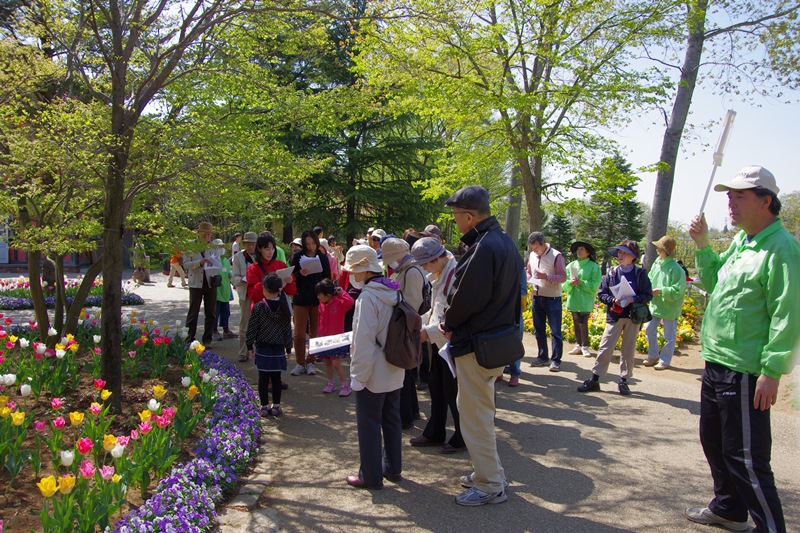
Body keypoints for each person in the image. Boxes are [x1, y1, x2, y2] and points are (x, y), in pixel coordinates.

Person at [685, 166, 799, 533]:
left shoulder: (782, 248)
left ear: (767, 201)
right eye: (728, 196)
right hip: (718, 360)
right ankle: (729, 509)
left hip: (747, 370)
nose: (730, 204)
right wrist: (703, 245)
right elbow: (716, 281)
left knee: (746, 458)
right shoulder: (742, 241)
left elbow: (788, 313)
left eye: (739, 196)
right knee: (714, 441)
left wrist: (772, 370)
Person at [442, 185, 522, 506]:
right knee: (478, 412)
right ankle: (486, 472)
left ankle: (490, 484)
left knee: (475, 417)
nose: (455, 220)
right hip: (495, 341)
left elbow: (466, 298)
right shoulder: (504, 243)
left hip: (476, 343)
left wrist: (448, 322)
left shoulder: (484, 246)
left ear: (471, 216)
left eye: (457, 215)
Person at [342, 245, 404, 490]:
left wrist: (358, 375)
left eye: (353, 271)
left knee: (368, 422)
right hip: (395, 366)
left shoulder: (368, 298)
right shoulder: (393, 291)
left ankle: (371, 475)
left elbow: (363, 341)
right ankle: (393, 468)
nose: (351, 276)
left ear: (363, 271)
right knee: (391, 418)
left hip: (373, 371)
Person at [408, 237, 465, 453]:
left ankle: (462, 436)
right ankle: (435, 431)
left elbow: (452, 315)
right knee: (437, 387)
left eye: (425, 263)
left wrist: (426, 332)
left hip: (448, 343)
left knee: (452, 392)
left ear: (435, 259)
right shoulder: (442, 271)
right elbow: (435, 310)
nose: (423, 268)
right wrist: (417, 323)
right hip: (437, 341)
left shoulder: (455, 274)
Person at [577, 240, 652, 396]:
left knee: (628, 349)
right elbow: (602, 294)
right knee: (605, 346)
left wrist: (633, 299)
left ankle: (624, 381)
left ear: (633, 256)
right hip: (615, 314)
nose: (620, 255)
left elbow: (647, 295)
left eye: (624, 252)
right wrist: (613, 300)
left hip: (633, 316)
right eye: (619, 252)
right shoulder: (611, 273)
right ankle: (595, 379)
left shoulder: (640, 274)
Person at [381, 237, 425, 430]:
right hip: (405, 326)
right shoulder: (406, 270)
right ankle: (411, 412)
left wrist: (393, 301)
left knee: (405, 372)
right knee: (406, 373)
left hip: (406, 328)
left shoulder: (412, 272)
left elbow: (413, 304)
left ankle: (406, 417)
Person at [247, 273, 293, 417]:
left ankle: (264, 406)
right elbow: (287, 330)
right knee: (276, 379)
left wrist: (249, 345)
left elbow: (252, 327)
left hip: (263, 348)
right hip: (278, 349)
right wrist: (288, 347)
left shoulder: (259, 307)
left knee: (263, 379)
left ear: (265, 289)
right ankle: (277, 406)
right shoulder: (284, 307)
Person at [289, 229, 331, 376]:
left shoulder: (323, 257)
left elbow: (327, 278)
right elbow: (291, 277)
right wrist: (300, 274)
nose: (311, 246)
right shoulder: (298, 256)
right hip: (300, 298)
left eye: (313, 243)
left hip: (317, 299)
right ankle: (300, 362)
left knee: (315, 333)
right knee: (299, 333)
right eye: (307, 244)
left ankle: (311, 361)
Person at [643, 235, 687, 370]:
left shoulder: (676, 269)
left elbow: (677, 291)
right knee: (649, 329)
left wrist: (661, 291)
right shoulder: (657, 264)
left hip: (670, 307)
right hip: (656, 304)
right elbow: (649, 279)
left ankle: (665, 360)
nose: (657, 249)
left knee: (669, 336)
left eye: (659, 248)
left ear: (666, 251)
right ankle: (653, 356)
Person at [527, 232, 567, 371]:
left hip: (552, 298)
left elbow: (563, 276)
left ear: (544, 244)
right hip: (537, 296)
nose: (535, 252)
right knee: (539, 329)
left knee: (555, 331)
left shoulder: (556, 255)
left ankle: (556, 360)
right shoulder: (532, 255)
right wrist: (528, 278)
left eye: (537, 248)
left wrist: (547, 277)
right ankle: (542, 356)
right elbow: (529, 271)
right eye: (533, 249)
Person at [315, 279, 355, 396]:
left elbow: (350, 302)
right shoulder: (321, 305)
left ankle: (345, 385)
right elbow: (320, 321)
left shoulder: (340, 304)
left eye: (319, 295)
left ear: (328, 295)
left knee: (336, 363)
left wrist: (341, 292)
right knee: (327, 362)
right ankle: (330, 382)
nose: (318, 297)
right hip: (324, 339)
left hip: (336, 340)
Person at [563, 241, 602, 358]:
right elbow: (563, 283)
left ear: (588, 253)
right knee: (575, 321)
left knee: (583, 321)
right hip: (574, 298)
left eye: (582, 249)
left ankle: (585, 345)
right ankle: (578, 344)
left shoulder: (594, 266)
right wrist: (570, 283)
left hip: (585, 299)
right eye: (578, 249)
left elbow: (595, 284)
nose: (579, 251)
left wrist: (582, 283)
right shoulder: (571, 265)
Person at [183, 222, 219, 346]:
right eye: (205, 233)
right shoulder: (190, 246)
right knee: (193, 311)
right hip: (196, 283)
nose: (208, 236)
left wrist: (213, 264)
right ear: (199, 233)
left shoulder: (214, 246)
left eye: (209, 233)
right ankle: (189, 338)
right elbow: (186, 264)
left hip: (211, 283)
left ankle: (207, 339)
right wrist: (199, 262)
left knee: (211, 312)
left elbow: (218, 263)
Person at [246, 234, 296, 308]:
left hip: (279, 307)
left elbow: (292, 291)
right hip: (262, 309)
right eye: (267, 249)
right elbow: (252, 294)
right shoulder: (253, 268)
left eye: (272, 249)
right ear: (259, 249)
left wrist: (289, 282)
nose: (270, 252)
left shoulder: (280, 265)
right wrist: (269, 283)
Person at [232, 231, 258, 362]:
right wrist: (242, 279)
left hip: (259, 294)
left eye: (253, 244)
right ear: (244, 244)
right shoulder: (238, 257)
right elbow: (234, 277)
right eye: (248, 244)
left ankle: (258, 350)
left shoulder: (261, 256)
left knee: (261, 323)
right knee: (245, 323)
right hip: (246, 293)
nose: (251, 247)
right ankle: (243, 351)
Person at [210, 239, 236, 342]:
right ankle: (214, 330)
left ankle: (226, 330)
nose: (221, 249)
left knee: (226, 312)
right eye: (218, 247)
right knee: (215, 312)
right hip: (216, 291)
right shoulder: (212, 260)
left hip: (225, 290)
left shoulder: (225, 260)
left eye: (222, 247)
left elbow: (230, 271)